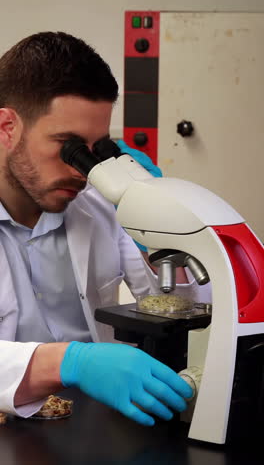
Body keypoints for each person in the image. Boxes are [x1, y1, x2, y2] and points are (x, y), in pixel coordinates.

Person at [0, 32, 211, 426]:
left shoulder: (99, 205)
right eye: (67, 145)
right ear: (7, 126)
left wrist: (162, 230)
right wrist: (71, 362)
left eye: (96, 149)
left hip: (94, 424)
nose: (81, 169)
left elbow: (173, 304)